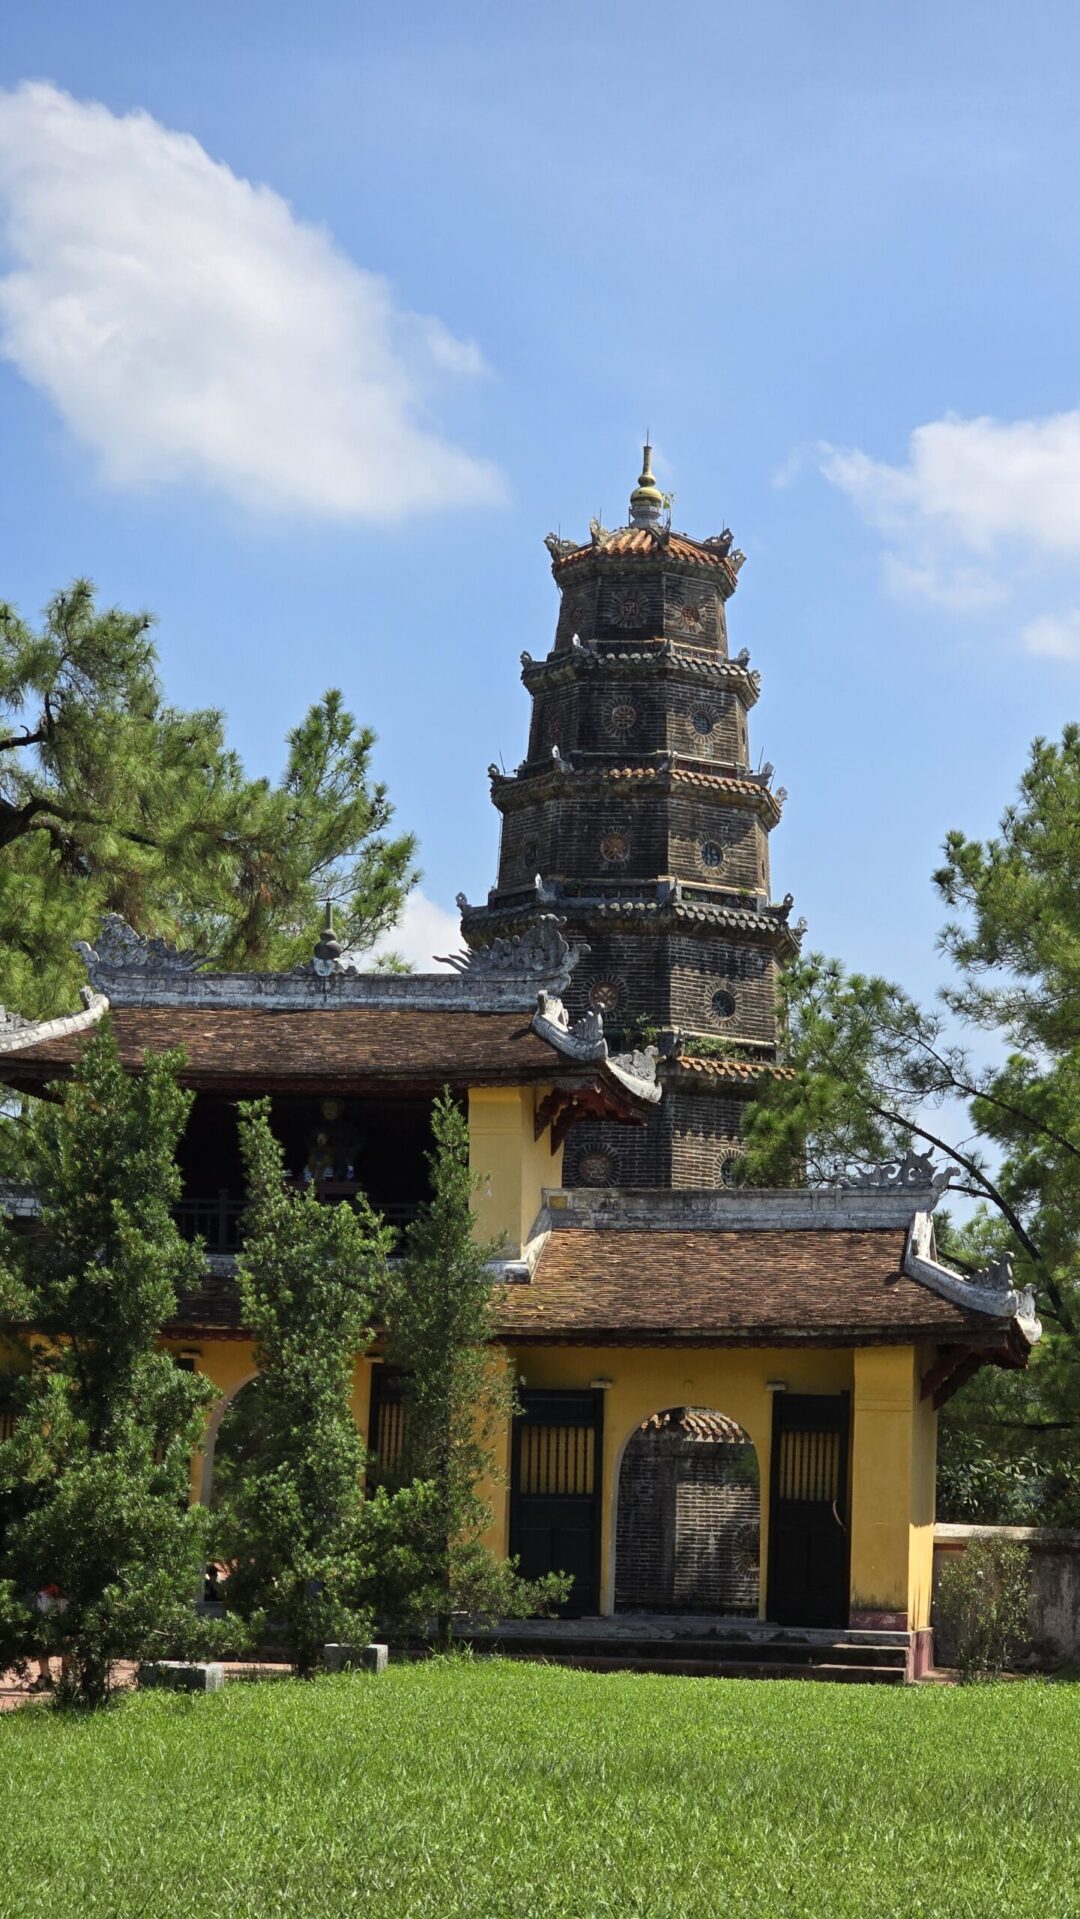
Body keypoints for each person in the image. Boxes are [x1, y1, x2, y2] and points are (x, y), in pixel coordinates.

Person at [32, 1583, 66, 1691]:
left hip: (68, 1592)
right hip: (46, 1591)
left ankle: (67, 1679)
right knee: (41, 1632)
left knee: (69, 1634)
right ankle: (45, 1677)